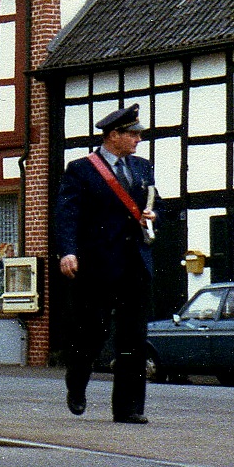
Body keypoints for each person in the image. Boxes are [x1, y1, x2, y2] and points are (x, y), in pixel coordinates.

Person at [55, 103, 158, 424]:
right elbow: (67, 214)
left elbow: (155, 204)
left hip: (134, 265)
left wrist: (154, 216)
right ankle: (77, 381)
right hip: (96, 266)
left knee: (133, 338)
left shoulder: (142, 168)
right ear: (114, 135)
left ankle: (127, 408)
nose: (139, 139)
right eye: (134, 134)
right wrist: (67, 251)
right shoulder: (82, 169)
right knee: (93, 331)